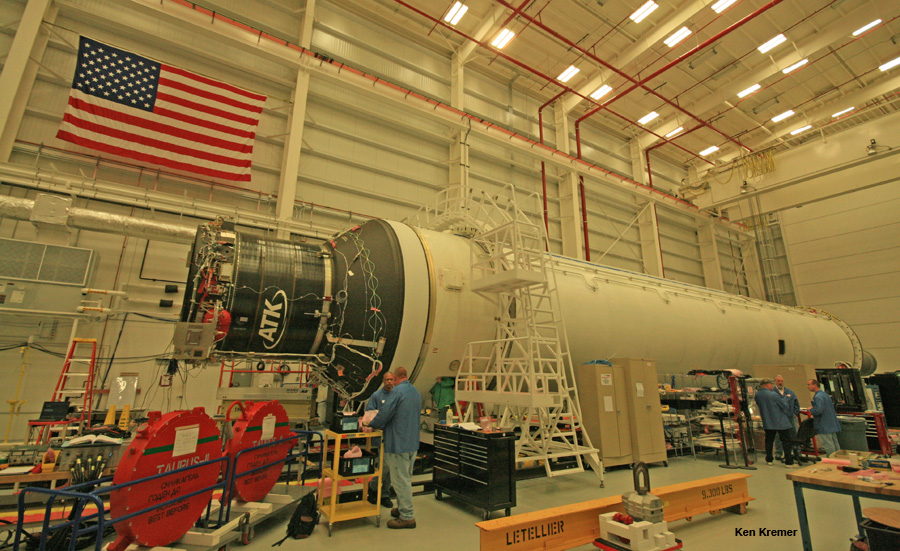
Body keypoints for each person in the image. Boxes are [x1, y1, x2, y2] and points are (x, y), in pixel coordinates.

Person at [365, 366, 421, 529]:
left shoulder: (397, 392)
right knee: (406, 478)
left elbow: (385, 413)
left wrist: (371, 424)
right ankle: (403, 507)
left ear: (396, 378)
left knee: (400, 481)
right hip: (412, 442)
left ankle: (407, 516)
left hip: (398, 443)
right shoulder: (415, 392)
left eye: (392, 379)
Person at [366, 371, 394, 508]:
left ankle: (385, 494)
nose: (389, 382)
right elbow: (370, 414)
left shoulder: (397, 395)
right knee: (385, 466)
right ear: (383, 381)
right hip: (381, 437)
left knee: (391, 468)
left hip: (394, 436)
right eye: (387, 379)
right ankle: (373, 488)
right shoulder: (376, 396)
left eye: (391, 379)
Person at [754, 379, 797, 467]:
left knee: (769, 440)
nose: (772, 386)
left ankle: (769, 459)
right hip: (780, 422)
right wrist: (790, 413)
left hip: (767, 422)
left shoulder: (757, 395)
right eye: (771, 385)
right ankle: (789, 462)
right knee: (786, 441)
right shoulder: (774, 395)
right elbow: (785, 405)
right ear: (767, 385)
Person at [807, 379, 842, 456]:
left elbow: (818, 410)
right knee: (834, 443)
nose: (807, 386)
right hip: (831, 423)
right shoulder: (825, 395)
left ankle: (832, 460)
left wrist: (811, 410)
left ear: (815, 385)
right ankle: (839, 459)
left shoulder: (818, 397)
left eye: (809, 384)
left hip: (823, 424)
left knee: (828, 444)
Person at [773, 375, 801, 463]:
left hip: (790, 417)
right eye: (778, 381)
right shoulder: (772, 392)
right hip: (779, 418)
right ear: (775, 381)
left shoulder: (790, 392)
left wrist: (795, 413)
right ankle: (778, 453)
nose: (780, 382)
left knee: (793, 434)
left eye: (781, 381)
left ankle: (796, 452)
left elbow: (796, 403)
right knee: (778, 436)